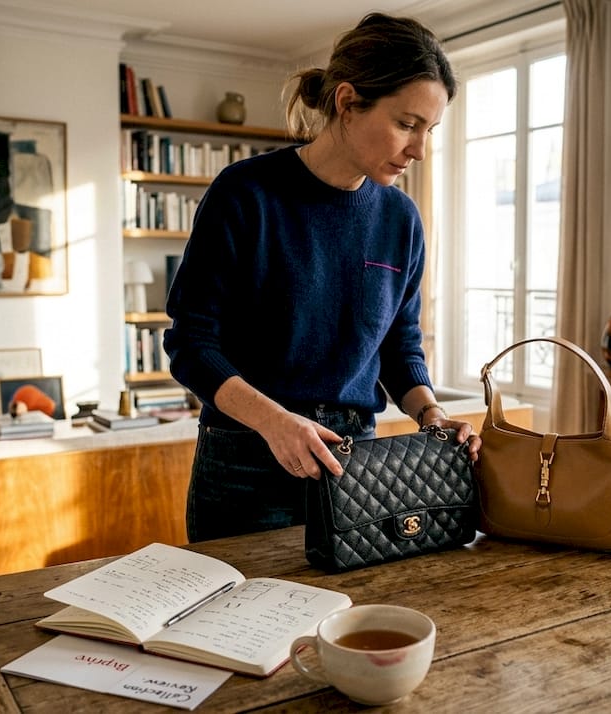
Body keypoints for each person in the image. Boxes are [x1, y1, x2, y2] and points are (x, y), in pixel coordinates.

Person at [162, 12, 480, 543]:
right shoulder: (245, 195)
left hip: (358, 467)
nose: (420, 150)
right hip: (245, 462)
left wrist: (430, 412)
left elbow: (399, 348)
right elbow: (190, 343)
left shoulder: (401, 219)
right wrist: (273, 421)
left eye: (430, 130)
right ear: (348, 102)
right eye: (407, 124)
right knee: (239, 625)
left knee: (349, 620)